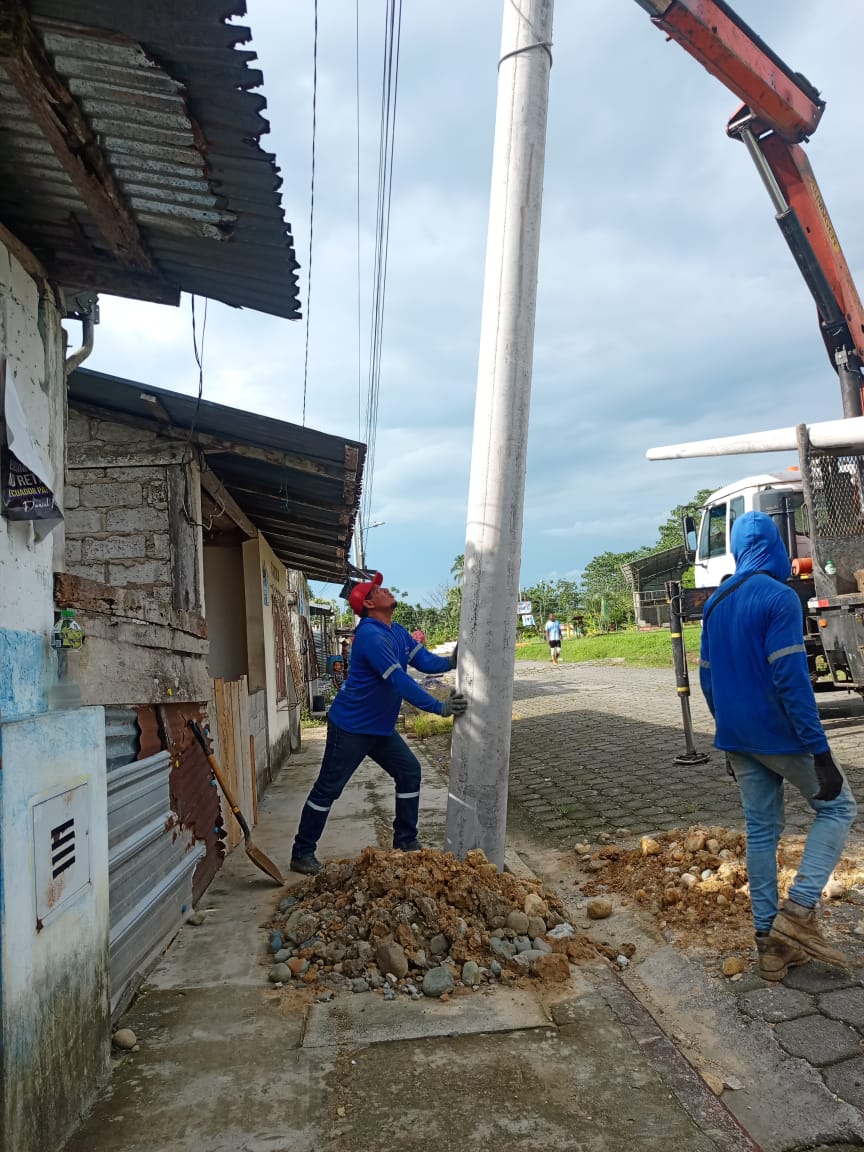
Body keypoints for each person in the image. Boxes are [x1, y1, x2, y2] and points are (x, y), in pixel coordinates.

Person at [699, 511, 856, 980]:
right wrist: (820, 751)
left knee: (762, 831)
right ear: (775, 546)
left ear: (737, 550)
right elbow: (791, 679)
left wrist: (727, 737)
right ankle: (800, 911)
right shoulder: (779, 597)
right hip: (781, 734)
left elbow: (707, 679)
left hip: (738, 737)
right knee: (838, 807)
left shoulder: (716, 602)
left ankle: (770, 945)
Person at [290, 572, 466, 874]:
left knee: (409, 772)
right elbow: (399, 680)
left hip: (379, 729)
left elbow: (424, 661)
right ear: (370, 604)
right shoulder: (371, 636)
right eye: (378, 590)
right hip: (351, 727)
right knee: (328, 789)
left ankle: (405, 842)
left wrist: (450, 661)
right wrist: (439, 707)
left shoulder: (396, 631)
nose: (385, 590)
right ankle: (302, 852)